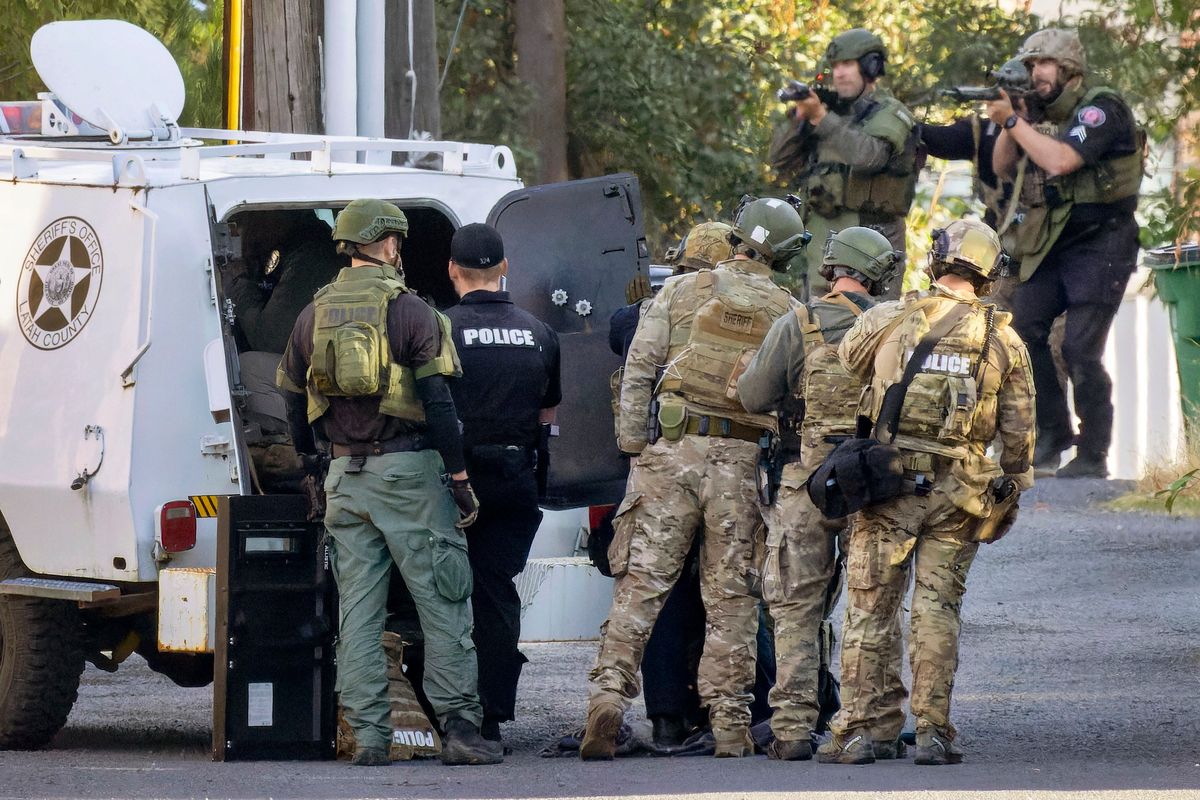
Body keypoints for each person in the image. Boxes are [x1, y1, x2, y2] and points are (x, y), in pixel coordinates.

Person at [276, 199, 501, 767]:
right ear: (385, 244)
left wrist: (311, 466)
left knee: (358, 612)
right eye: (396, 241)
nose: (399, 249)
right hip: (408, 475)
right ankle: (460, 731)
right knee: (444, 600)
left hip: (344, 478)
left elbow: (287, 398)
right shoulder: (410, 312)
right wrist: (459, 477)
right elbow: (439, 402)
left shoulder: (312, 314)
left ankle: (370, 738)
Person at [580, 197, 805, 761]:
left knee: (641, 584)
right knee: (731, 597)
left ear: (736, 237)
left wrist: (635, 445)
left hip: (672, 452)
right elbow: (797, 395)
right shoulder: (788, 310)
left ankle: (608, 697)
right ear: (787, 253)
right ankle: (730, 725)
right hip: (741, 462)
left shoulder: (680, 292)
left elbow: (639, 367)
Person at [817, 219, 1034, 766]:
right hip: (960, 491)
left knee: (869, 609)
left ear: (935, 262)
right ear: (987, 272)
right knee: (937, 609)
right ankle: (933, 731)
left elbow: (847, 362)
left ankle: (862, 732)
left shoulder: (891, 317)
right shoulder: (1003, 338)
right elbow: (1020, 432)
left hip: (888, 483)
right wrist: (1013, 484)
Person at [737, 226, 902, 761]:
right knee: (873, 605)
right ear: (878, 274)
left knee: (794, 607)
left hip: (804, 482)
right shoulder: (891, 326)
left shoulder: (797, 322)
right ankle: (872, 725)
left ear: (832, 268)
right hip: (871, 484)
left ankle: (790, 728)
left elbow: (755, 394)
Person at [987, 28, 1143, 478]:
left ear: (1069, 71)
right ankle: (1052, 435)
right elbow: (1002, 167)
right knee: (1025, 329)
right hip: (1056, 240)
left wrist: (1016, 123)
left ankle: (1094, 451)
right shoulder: (1039, 111)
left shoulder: (1101, 108)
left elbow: (1060, 162)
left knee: (1080, 349)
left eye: (1044, 65)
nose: (1036, 74)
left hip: (1104, 242)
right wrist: (1011, 118)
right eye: (1032, 65)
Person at [441, 223, 562, 746]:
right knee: (495, 594)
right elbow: (547, 414)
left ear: (452, 270)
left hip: (453, 484)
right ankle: (491, 716)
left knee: (441, 596)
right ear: (505, 269)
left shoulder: (438, 329)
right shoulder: (540, 333)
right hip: (515, 480)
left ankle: (448, 714)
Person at [770, 28, 918, 299]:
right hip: (820, 248)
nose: (839, 73)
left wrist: (822, 118)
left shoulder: (890, 112)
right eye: (836, 66)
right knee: (814, 329)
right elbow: (779, 159)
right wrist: (800, 118)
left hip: (871, 249)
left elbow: (868, 157)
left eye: (848, 64)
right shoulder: (827, 112)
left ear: (871, 67)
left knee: (870, 330)